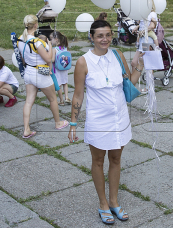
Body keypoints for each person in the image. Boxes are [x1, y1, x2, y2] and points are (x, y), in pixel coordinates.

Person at [68, 19, 144, 225]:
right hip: (98, 121)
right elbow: (77, 95)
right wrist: (73, 123)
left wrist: (141, 67)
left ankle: (114, 201)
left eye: (108, 35)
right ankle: (102, 204)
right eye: (100, 36)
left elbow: (130, 81)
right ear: (91, 37)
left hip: (120, 118)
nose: (105, 39)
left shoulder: (118, 56)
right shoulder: (83, 62)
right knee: (99, 161)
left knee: (117, 160)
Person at [17, 14, 69, 138]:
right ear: (36, 25)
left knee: (29, 101)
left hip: (29, 72)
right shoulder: (38, 42)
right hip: (41, 73)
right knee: (52, 99)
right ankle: (58, 123)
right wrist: (50, 45)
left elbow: (23, 57)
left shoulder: (20, 39)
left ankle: (26, 129)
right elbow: (49, 59)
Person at [49, 31, 70, 105]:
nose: (51, 41)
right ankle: (67, 97)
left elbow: (53, 60)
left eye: (51, 39)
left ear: (56, 39)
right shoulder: (65, 48)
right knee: (65, 83)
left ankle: (61, 101)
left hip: (57, 70)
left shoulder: (55, 49)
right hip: (64, 68)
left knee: (59, 84)